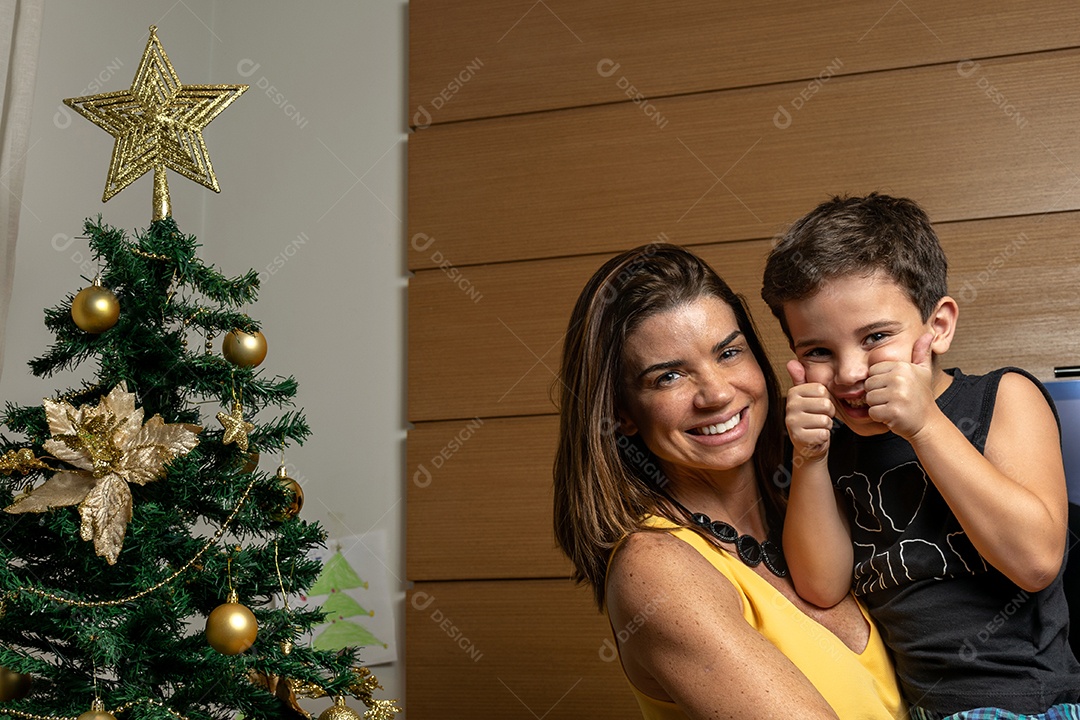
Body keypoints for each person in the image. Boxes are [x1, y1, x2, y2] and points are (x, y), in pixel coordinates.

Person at [761, 193, 1080, 718]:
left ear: (939, 327)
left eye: (876, 337)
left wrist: (925, 426)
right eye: (817, 351)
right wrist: (810, 458)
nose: (848, 373)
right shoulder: (833, 447)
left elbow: (1037, 561)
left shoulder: (1000, 398)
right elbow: (821, 587)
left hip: (1026, 703)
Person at [553, 243, 905, 719]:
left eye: (729, 352)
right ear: (621, 414)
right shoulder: (657, 569)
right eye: (669, 376)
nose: (717, 393)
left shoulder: (819, 490)